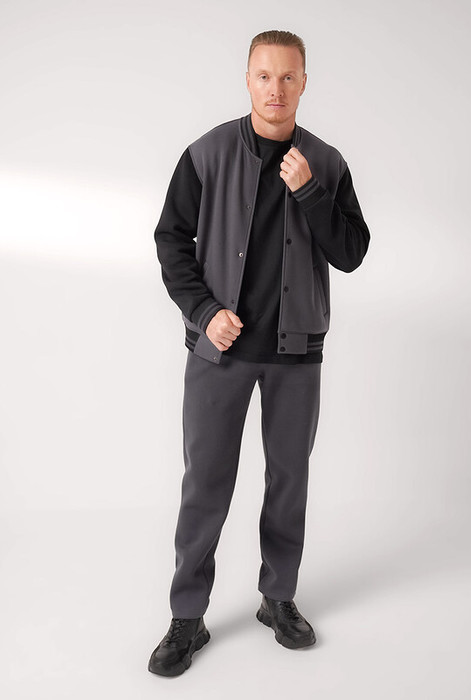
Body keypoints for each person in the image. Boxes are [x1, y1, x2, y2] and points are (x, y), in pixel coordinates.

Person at [148, 29, 370, 677]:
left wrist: (310, 191)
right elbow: (170, 242)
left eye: (288, 77)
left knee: (288, 480)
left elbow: (351, 253)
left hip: (296, 352)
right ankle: (187, 616)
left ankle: (278, 598)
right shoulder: (206, 154)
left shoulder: (325, 163)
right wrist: (203, 312)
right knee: (206, 483)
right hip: (218, 352)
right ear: (248, 79)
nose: (275, 89)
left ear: (304, 83)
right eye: (264, 76)